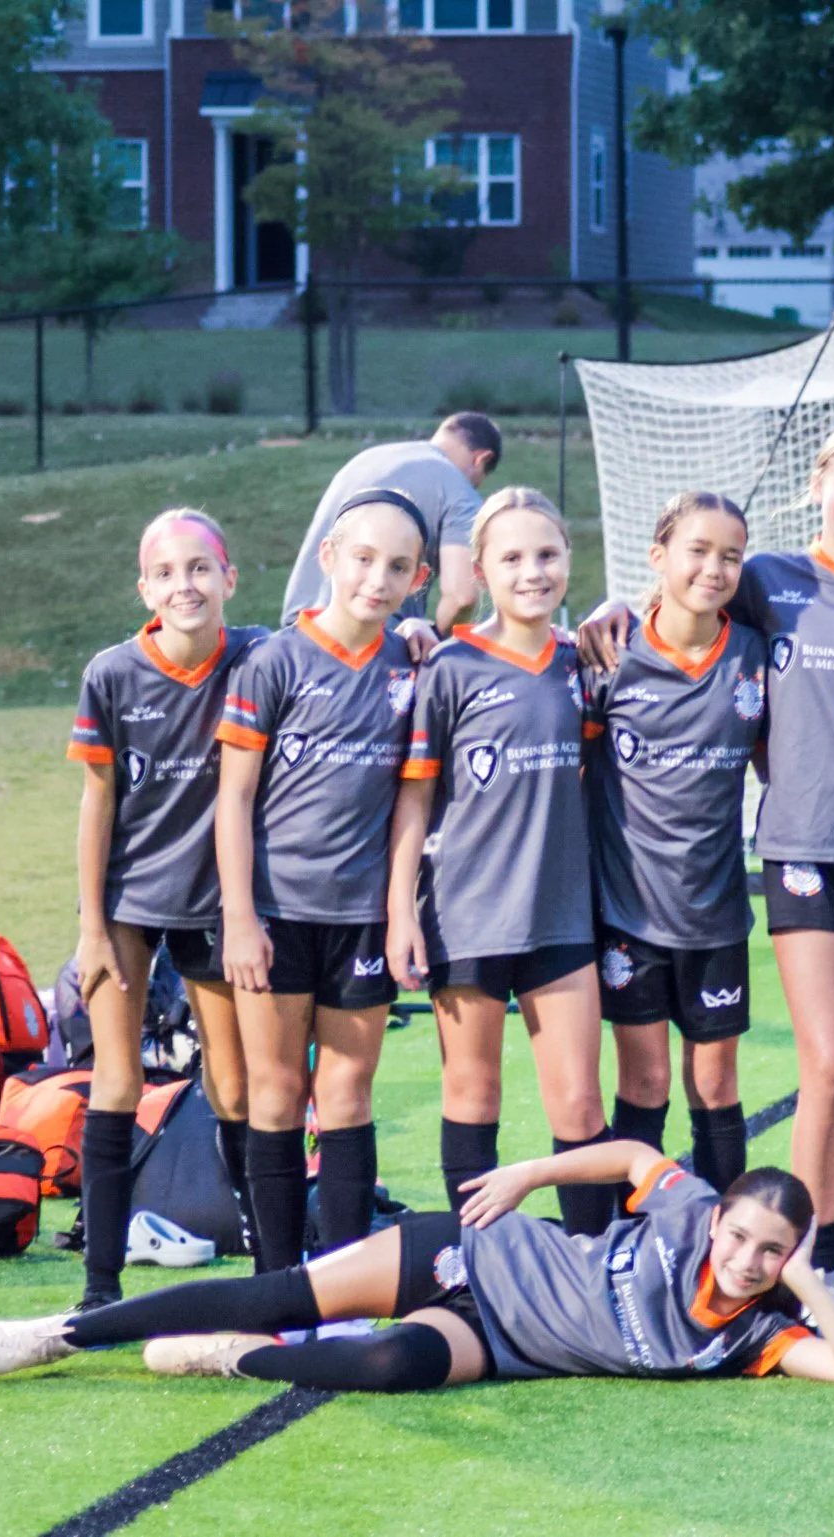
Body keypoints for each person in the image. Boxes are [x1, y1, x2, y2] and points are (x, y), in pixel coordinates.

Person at [578, 421, 834, 1333]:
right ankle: (805, 1262)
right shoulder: (765, 579)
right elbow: (681, 590)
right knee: (824, 1066)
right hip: (801, 848)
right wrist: (610, 607)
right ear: (815, 484)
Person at [0, 1143, 834, 1391]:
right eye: (741, 1236)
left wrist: (804, 1282)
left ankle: (228, 1356)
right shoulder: (689, 1212)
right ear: (717, 1217)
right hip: (474, 1250)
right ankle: (63, 1334)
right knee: (278, 1291)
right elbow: (635, 1155)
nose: (746, 1258)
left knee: (388, 1363)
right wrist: (530, 1172)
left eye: (771, 1250)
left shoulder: (761, 1330)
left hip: (496, 1340)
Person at [214, 490, 430, 1272]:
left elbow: (411, 803)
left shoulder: (413, 666)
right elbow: (233, 799)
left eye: (398, 565)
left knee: (347, 1097)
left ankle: (343, 1284)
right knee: (274, 1094)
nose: (378, 578)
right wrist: (239, 917)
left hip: (362, 921)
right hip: (274, 916)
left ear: (419, 576)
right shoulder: (272, 661)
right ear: (330, 557)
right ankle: (274, 1283)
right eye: (364, 558)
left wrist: (401, 911)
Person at [386, 488, 610, 1235]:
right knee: (473, 1095)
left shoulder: (583, 660)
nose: (532, 572)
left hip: (560, 917)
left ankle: (586, 1274)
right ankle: (473, 1272)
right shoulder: (449, 667)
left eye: (546, 555)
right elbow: (414, 802)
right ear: (480, 570)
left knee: (579, 1102)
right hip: (466, 915)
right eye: (511, 557)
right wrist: (399, 917)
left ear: (568, 563)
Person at [65, 508, 269, 1307]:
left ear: (229, 577)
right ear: (144, 587)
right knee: (114, 1080)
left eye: (199, 568)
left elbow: (343, 635)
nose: (185, 583)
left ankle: (268, 1268)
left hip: (219, 901)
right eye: (167, 572)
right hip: (127, 901)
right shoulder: (112, 673)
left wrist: (422, 637)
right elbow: (96, 802)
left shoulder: (260, 655)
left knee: (236, 1087)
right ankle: (98, 1286)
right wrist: (90, 928)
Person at [583, 491, 767, 1195]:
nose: (714, 568)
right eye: (697, 550)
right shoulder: (609, 653)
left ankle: (727, 1239)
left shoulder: (753, 653)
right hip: (629, 914)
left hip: (715, 911)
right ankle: (636, 1242)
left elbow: (795, 750)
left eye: (730, 555)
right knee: (646, 1078)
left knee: (715, 1081)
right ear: (658, 557)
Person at [279, 411, 501, 631]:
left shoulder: (367, 459)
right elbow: (461, 596)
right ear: (482, 458)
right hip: (376, 642)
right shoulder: (459, 491)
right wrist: (435, 648)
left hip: (301, 629)